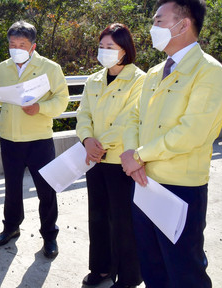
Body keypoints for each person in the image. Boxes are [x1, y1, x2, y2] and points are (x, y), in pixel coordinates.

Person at [120, 0, 222, 288]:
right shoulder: (155, 72)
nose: (152, 26)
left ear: (183, 25)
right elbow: (133, 117)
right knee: (152, 264)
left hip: (180, 187)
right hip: (143, 182)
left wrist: (139, 156)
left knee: (184, 269)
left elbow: (191, 132)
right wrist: (132, 156)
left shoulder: (209, 72)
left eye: (159, 20)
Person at [0, 20, 69, 259]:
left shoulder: (50, 67)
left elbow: (62, 100)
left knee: (46, 190)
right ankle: (11, 227)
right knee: (12, 188)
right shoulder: (2, 67)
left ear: (33, 46)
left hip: (39, 139)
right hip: (9, 138)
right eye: (12, 44)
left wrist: (40, 107)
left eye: (22, 44)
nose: (16, 48)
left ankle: (49, 235)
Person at [76, 23, 145, 288]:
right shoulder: (93, 80)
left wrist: (99, 144)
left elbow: (131, 121)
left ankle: (129, 275)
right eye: (101, 47)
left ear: (125, 50)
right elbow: (83, 114)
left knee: (123, 220)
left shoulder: (140, 79)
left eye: (111, 48)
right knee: (98, 215)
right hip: (94, 160)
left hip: (121, 161)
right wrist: (86, 139)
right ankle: (102, 268)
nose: (104, 52)